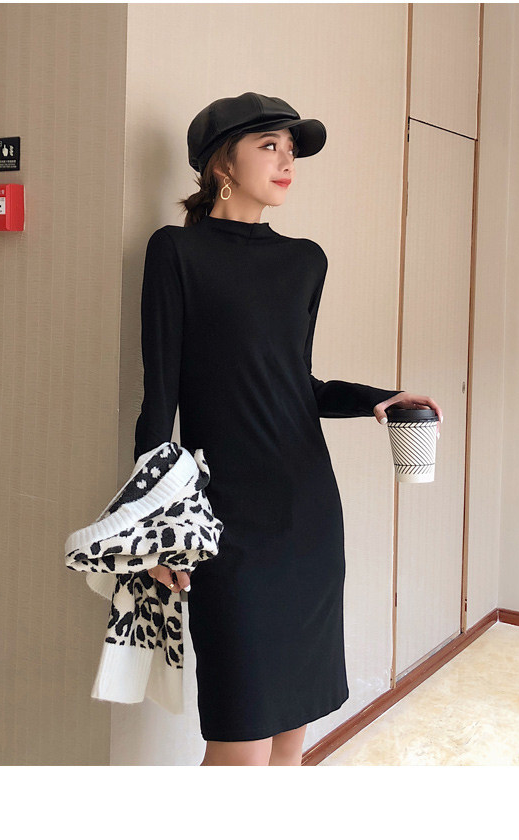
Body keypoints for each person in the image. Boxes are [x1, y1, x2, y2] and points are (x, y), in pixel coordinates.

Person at [133, 92, 444, 766]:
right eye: (269, 146)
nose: (287, 162)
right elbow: (160, 403)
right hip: (226, 521)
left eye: (291, 149)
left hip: (308, 515)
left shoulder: (305, 261)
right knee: (239, 744)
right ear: (222, 163)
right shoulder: (176, 253)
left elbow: (295, 384)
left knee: (289, 743)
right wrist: (153, 528)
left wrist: (380, 398)